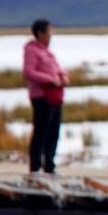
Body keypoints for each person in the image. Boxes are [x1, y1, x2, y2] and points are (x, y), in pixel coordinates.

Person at [22, 19, 68, 175]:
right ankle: (35, 167)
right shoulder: (32, 50)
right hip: (41, 96)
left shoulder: (47, 52)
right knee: (41, 131)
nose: (51, 35)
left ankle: (49, 165)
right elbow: (29, 72)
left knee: (54, 131)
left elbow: (58, 69)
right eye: (49, 32)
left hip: (55, 96)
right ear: (40, 33)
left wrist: (63, 77)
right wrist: (50, 80)